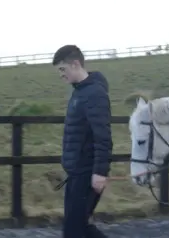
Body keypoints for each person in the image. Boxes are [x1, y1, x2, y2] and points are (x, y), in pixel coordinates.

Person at [52, 45, 112, 238]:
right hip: (76, 173)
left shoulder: (94, 94)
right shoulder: (79, 92)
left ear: (76, 64)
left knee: (73, 231)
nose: (61, 75)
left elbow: (103, 137)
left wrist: (100, 172)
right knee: (79, 228)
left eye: (63, 69)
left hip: (87, 173)